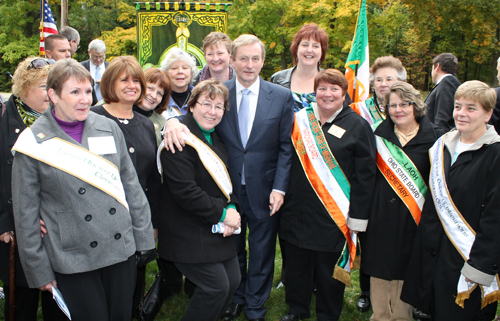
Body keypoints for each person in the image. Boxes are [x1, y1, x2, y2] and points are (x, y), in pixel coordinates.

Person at [11, 58, 155, 321]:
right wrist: (38, 268)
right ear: (53, 95)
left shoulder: (108, 127)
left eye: (88, 91)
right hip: (72, 255)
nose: (85, 99)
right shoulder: (32, 143)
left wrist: (143, 238)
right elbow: (25, 213)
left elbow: (131, 186)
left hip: (119, 249)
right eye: (75, 92)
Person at [164, 34, 295, 321]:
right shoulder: (217, 92)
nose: (249, 64)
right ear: (232, 61)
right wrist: (170, 123)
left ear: (263, 61)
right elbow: (189, 117)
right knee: (231, 249)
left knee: (262, 252)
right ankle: (233, 299)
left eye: (256, 58)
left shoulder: (282, 96)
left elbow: (287, 146)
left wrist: (280, 187)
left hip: (265, 189)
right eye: (243, 58)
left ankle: (256, 305)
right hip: (225, 191)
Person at [278, 69, 376, 321]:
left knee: (327, 271)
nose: (327, 94)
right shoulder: (299, 120)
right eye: (322, 88)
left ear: (344, 94)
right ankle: (296, 309)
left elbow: (365, 176)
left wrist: (359, 216)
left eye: (334, 89)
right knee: (297, 266)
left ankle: (328, 313)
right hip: (296, 209)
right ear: (315, 92)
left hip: (333, 216)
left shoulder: (358, 126)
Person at [401, 81, 500, 321]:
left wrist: (480, 265)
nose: (461, 113)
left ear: (488, 114)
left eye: (471, 108)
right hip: (433, 254)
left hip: (467, 257)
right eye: (458, 106)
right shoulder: (442, 146)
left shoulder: (494, 153)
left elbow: (496, 217)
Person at [158, 79, 241, 321]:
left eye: (218, 107)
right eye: (206, 104)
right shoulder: (179, 139)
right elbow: (185, 192)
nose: (212, 112)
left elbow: (224, 181)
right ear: (191, 106)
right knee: (215, 287)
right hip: (186, 228)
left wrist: (232, 205)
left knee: (232, 281)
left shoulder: (216, 139)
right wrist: (224, 214)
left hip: (212, 224)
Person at [361, 82, 444, 321]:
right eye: (392, 105)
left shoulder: (436, 137)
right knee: (378, 267)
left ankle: (402, 316)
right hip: (381, 216)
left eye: (404, 104)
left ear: (415, 105)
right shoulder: (378, 135)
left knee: (407, 266)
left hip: (415, 214)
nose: (398, 110)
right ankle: (380, 316)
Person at [90, 56, 161, 316]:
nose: (131, 85)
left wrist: (152, 224)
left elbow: (153, 178)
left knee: (132, 288)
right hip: (100, 219)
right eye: (124, 80)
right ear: (110, 83)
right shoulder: (91, 118)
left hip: (137, 219)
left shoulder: (145, 124)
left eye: (136, 80)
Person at [0, 57, 69, 321]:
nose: (50, 93)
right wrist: (4, 222)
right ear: (22, 88)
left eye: (53, 86)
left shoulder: (62, 121)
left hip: (57, 226)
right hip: (17, 230)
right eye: (43, 86)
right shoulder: (4, 120)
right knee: (22, 303)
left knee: (58, 300)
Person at [270, 23, 329, 111]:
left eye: (315, 46)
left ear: (322, 52)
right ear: (296, 49)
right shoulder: (277, 79)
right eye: (305, 45)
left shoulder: (332, 81)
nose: (309, 50)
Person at [134, 67, 171, 146]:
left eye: (159, 93)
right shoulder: (120, 109)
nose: (154, 96)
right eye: (150, 88)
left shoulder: (163, 125)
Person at [425, 53, 461, 131]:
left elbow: (442, 120)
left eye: (432, 68)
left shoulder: (447, 84)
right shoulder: (448, 84)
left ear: (437, 67)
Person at [160, 47, 199, 120]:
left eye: (185, 68)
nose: (180, 71)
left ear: (191, 72)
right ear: (166, 73)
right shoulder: (160, 99)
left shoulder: (199, 98)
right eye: (174, 68)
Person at [81, 39, 108, 105]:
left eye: (101, 57)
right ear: (89, 53)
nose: (98, 60)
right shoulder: (80, 68)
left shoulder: (111, 68)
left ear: (105, 53)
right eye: (95, 57)